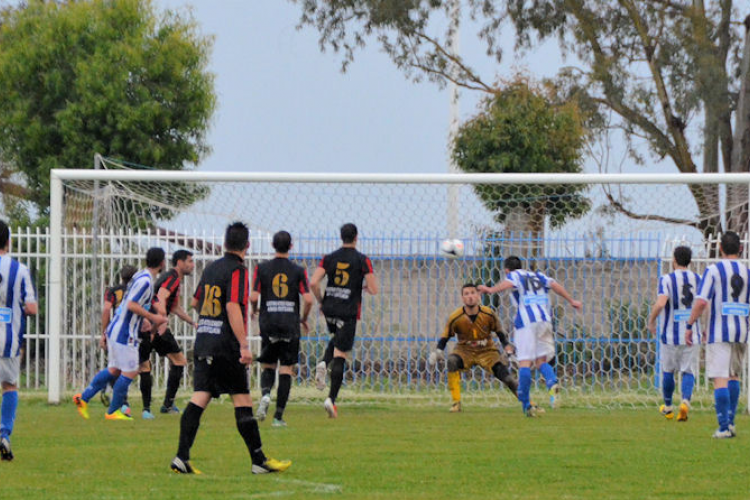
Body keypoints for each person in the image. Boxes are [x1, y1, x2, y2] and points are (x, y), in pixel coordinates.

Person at [170, 222, 290, 474]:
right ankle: (258, 460)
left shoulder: (211, 268)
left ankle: (181, 457)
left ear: (225, 243)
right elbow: (232, 306)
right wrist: (244, 345)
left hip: (204, 341)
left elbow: (195, 302)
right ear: (247, 245)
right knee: (242, 399)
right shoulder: (237, 271)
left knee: (200, 397)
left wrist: (210, 322)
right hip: (225, 346)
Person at [478, 256, 581, 416]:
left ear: (507, 270)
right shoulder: (538, 275)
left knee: (524, 362)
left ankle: (527, 405)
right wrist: (571, 300)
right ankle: (552, 383)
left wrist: (490, 290)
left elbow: (509, 283)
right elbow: (555, 285)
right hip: (544, 320)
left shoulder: (514, 275)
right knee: (541, 361)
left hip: (526, 322)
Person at [74, 248, 167, 421]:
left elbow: (133, 303)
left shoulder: (140, 275)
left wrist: (147, 317)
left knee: (114, 369)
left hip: (116, 328)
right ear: (162, 262)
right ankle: (113, 411)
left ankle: (83, 398)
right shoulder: (145, 281)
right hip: (125, 332)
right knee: (131, 370)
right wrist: (153, 317)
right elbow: (132, 304)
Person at [309, 223, 378, 418]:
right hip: (348, 310)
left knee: (338, 338)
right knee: (341, 354)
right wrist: (363, 287)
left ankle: (324, 362)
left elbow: (313, 282)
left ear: (341, 237)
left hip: (330, 308)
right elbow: (374, 289)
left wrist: (321, 300)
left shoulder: (329, 258)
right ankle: (331, 400)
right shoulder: (362, 260)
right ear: (356, 237)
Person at [687, 231, 750, 438]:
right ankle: (730, 424)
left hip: (719, 331)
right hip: (741, 330)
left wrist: (690, 324)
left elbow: (701, 301)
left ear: (720, 248)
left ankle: (723, 427)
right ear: (740, 248)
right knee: (734, 376)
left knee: (720, 378)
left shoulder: (713, 270)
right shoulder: (747, 271)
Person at [250, 231, 313, 427]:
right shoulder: (298, 270)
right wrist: (303, 319)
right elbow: (309, 299)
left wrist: (255, 309)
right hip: (289, 324)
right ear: (291, 246)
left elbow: (253, 297)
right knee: (286, 369)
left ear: (272, 245)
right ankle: (278, 417)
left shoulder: (261, 268)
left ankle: (266, 394)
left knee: (268, 365)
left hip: (269, 323)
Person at [427, 283, 518, 412]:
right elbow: (445, 336)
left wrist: (506, 346)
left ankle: (528, 404)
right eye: (466, 294)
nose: (470, 296)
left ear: (478, 296)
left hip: (487, 352)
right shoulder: (456, 317)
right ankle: (456, 403)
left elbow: (499, 332)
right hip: (465, 352)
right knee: (452, 361)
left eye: (473, 293)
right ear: (462, 298)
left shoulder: (488, 314)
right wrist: (438, 351)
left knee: (507, 378)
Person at [138, 249, 196, 419]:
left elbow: (174, 307)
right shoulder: (172, 277)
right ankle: (166, 405)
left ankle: (147, 408)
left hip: (150, 323)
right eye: (190, 261)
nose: (192, 265)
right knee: (178, 361)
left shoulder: (173, 278)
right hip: (154, 324)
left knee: (142, 366)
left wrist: (192, 322)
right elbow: (161, 297)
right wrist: (161, 321)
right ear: (180, 262)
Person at [647, 246, 701, 422]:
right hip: (692, 333)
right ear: (689, 261)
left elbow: (661, 303)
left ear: (674, 260)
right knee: (688, 371)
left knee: (668, 371)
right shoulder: (698, 278)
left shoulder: (666, 279)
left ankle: (669, 407)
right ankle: (685, 402)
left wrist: (651, 320)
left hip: (670, 334)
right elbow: (704, 304)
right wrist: (705, 327)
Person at [0, 220, 37, 461]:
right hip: (8, 338)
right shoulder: (19, 269)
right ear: (8, 241)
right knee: (9, 385)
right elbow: (32, 308)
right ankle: (4, 434)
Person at [100, 265, 138, 409]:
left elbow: (106, 309)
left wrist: (104, 332)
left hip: (115, 332)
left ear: (121, 277)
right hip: (131, 332)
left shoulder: (113, 291)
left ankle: (116, 395)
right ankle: (122, 401)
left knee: (117, 366)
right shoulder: (138, 291)